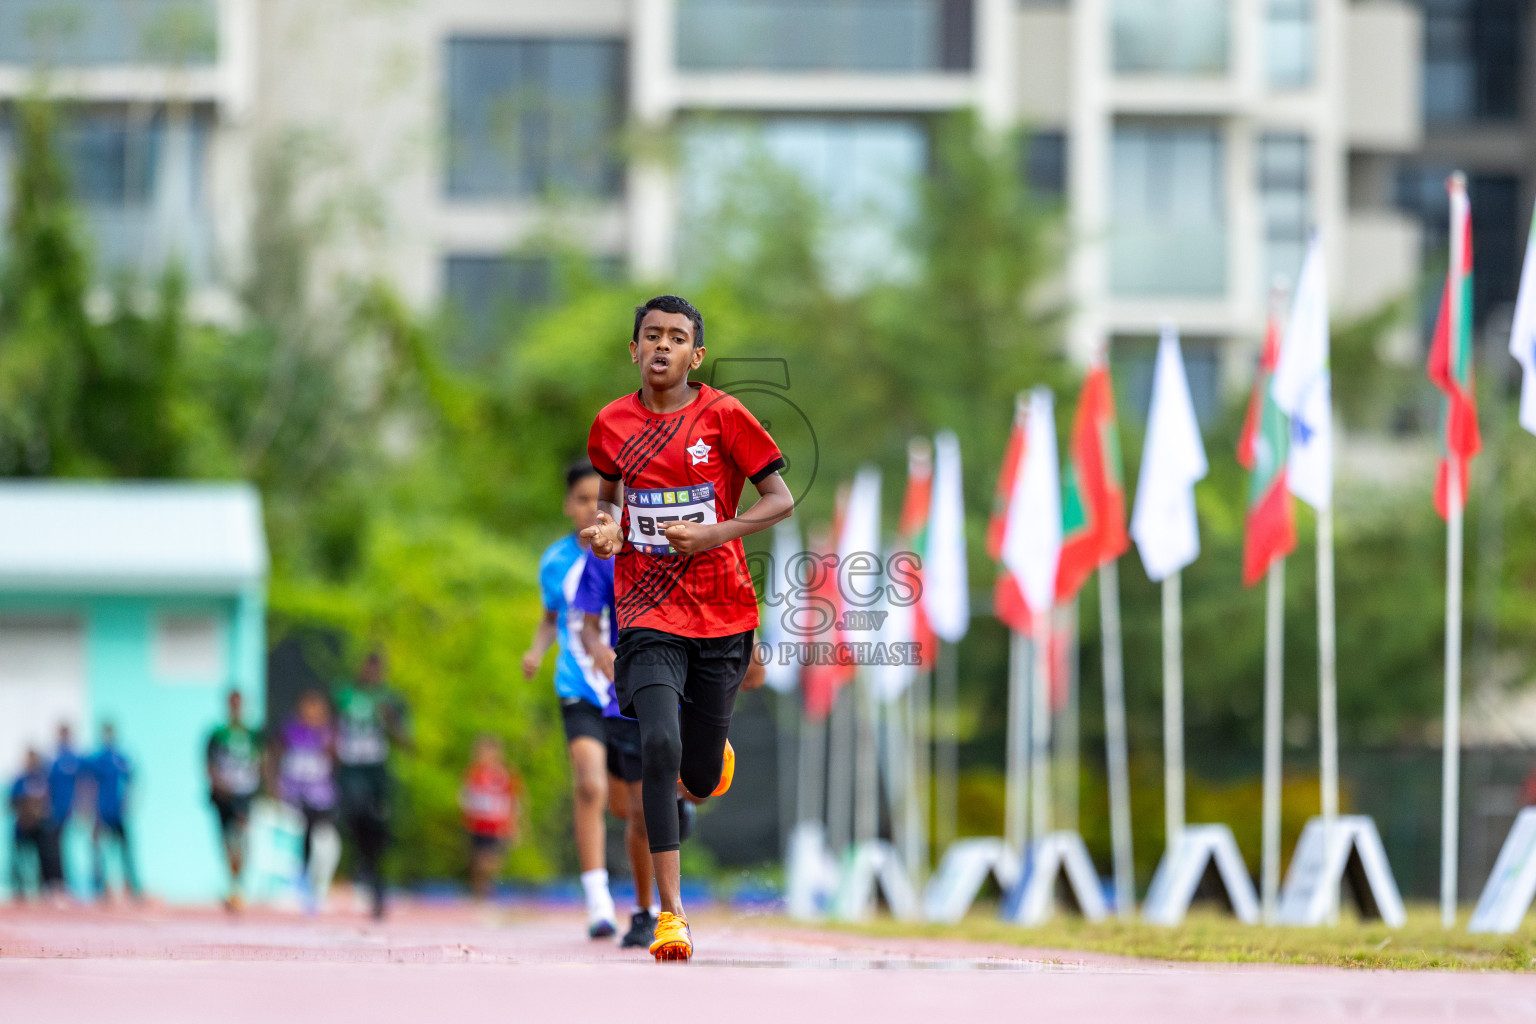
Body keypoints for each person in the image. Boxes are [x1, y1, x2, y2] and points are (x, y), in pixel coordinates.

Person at [583, 294, 793, 960]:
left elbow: (779, 500)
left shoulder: (724, 415)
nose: (663, 346)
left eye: (677, 337)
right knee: (658, 746)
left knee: (697, 775)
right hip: (644, 611)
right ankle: (672, 916)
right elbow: (611, 493)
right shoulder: (612, 424)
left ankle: (708, 760)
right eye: (652, 336)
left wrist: (712, 535)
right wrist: (610, 528)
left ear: (695, 355)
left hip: (722, 612)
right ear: (635, 349)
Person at [523, 460, 621, 939]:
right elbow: (549, 617)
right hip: (576, 685)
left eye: (598, 499)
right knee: (590, 786)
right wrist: (536, 652)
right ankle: (598, 898)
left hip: (625, 689)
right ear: (568, 505)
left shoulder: (627, 555)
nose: (589, 507)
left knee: (627, 803)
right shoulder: (555, 561)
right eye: (581, 499)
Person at [575, 541, 664, 949]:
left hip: (687, 691)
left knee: (683, 793)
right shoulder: (606, 553)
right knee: (632, 811)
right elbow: (589, 625)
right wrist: (599, 651)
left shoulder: (692, 534)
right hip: (625, 695)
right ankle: (646, 912)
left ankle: (677, 811)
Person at [333, 649, 409, 920]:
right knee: (354, 813)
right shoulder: (343, 695)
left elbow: (406, 740)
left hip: (377, 771)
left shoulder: (391, 699)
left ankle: (375, 880)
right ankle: (363, 865)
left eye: (378, 670)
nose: (372, 674)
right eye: (368, 668)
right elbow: (330, 729)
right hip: (351, 769)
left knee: (377, 830)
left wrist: (390, 721)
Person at [275, 690, 338, 910]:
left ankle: (318, 890)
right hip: (295, 796)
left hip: (320, 797)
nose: (313, 713)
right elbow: (276, 757)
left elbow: (334, 759)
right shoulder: (291, 731)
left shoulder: (327, 734)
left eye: (318, 708)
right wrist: (278, 788)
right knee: (297, 840)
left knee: (326, 843)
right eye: (309, 707)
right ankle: (296, 886)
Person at [206, 689, 264, 911]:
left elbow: (261, 760)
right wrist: (217, 785)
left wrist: (261, 787)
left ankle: (238, 886)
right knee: (225, 840)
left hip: (244, 792)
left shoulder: (252, 734)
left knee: (239, 834)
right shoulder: (217, 734)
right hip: (223, 794)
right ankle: (233, 884)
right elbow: (209, 764)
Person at [459, 735, 521, 902]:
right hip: (478, 825)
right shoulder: (474, 773)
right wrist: (467, 817)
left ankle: (488, 887)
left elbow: (513, 800)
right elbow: (466, 797)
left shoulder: (504, 775)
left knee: (491, 860)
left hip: (497, 825)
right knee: (477, 860)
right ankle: (479, 892)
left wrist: (513, 824)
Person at [87, 723, 140, 903]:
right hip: (102, 812)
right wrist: (89, 810)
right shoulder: (98, 759)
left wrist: (129, 803)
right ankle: (99, 887)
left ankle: (132, 887)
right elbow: (90, 785)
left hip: (118, 812)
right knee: (98, 849)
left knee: (125, 850)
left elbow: (131, 782)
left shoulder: (121, 758)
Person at [9, 749, 59, 901]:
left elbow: (47, 802)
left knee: (44, 855)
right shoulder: (20, 779)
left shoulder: (43, 779)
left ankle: (44, 885)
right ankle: (19, 886)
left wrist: (40, 815)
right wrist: (24, 816)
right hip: (23, 824)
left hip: (39, 825)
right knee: (20, 856)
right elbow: (13, 801)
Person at [45, 723, 83, 896]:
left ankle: (63, 882)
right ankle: (54, 882)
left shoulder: (75, 759)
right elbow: (46, 785)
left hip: (69, 810)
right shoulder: (53, 758)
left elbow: (84, 784)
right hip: (54, 811)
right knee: (53, 847)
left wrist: (83, 808)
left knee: (62, 846)